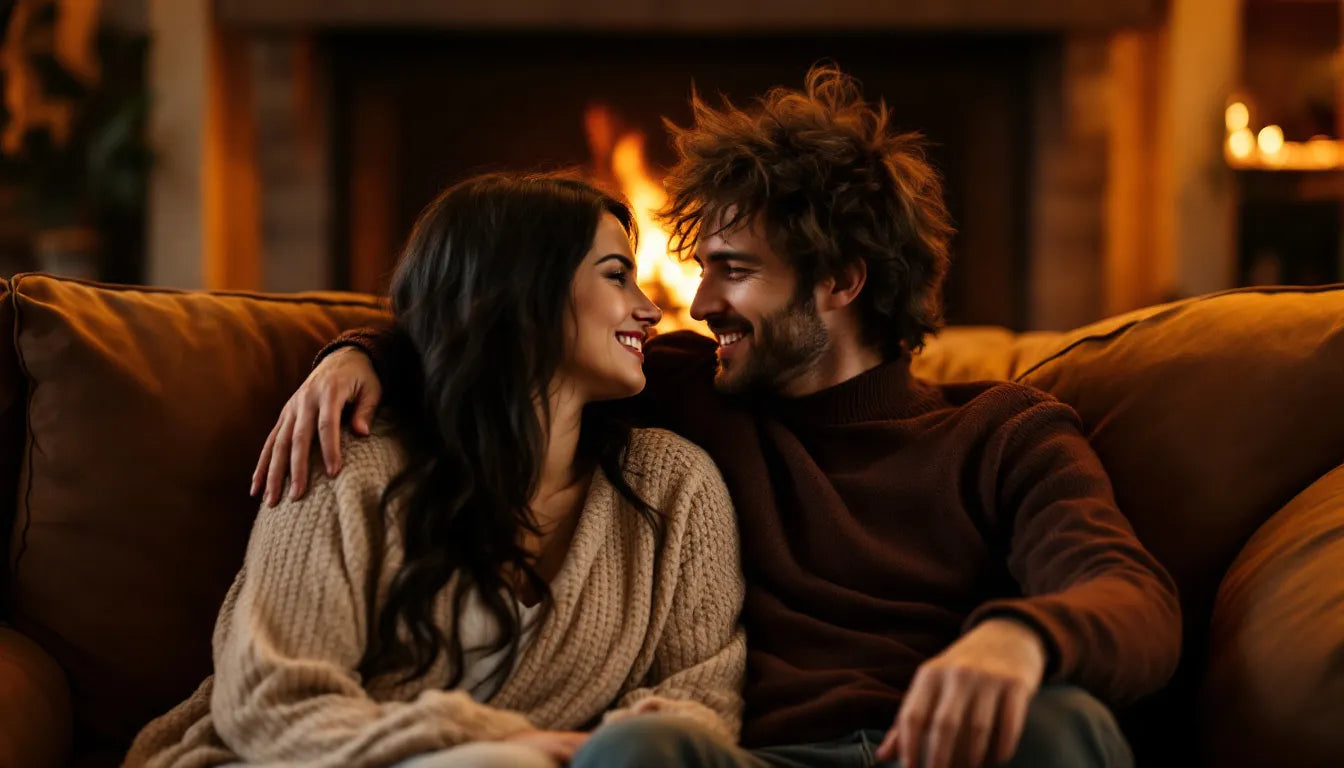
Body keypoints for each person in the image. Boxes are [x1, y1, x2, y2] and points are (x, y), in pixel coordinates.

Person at [255, 66, 1181, 768]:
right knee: (632, 753)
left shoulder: (1008, 433)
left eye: (732, 270)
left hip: (941, 751)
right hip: (746, 759)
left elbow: (1135, 602)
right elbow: (506, 335)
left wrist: (1020, 637)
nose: (695, 303)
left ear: (839, 283)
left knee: (1065, 724)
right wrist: (365, 352)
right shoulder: (691, 390)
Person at [124, 173, 746, 768]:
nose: (652, 311)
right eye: (618, 277)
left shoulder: (673, 487)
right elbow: (271, 704)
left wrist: (605, 751)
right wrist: (503, 744)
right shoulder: (349, 465)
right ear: (520, 293)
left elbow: (699, 701)